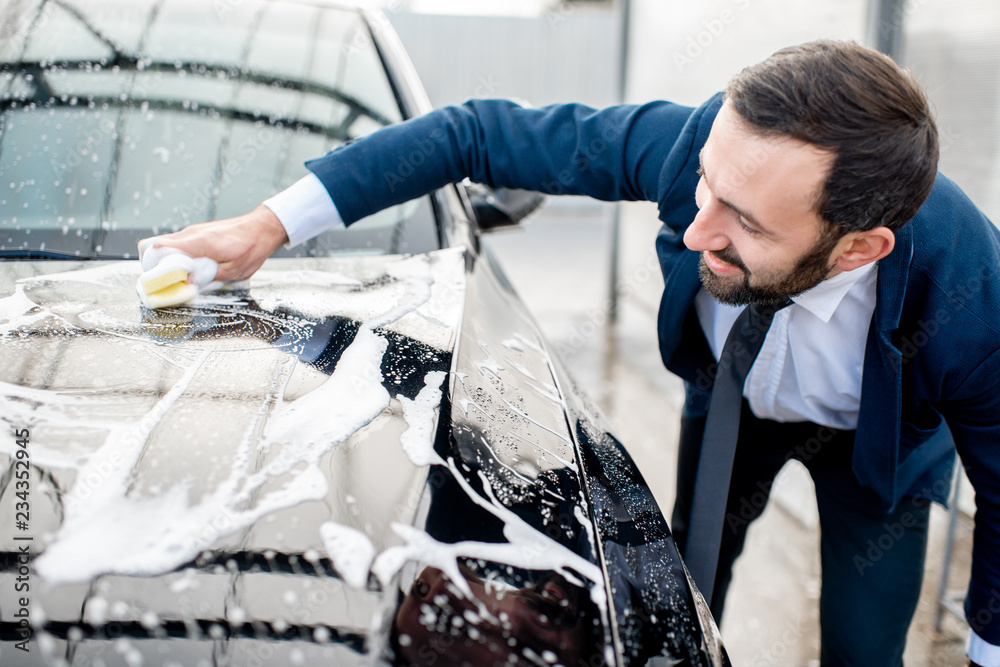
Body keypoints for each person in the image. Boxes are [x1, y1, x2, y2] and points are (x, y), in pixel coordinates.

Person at [141, 40, 1000, 666]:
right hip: (732, 403)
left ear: (860, 249)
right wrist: (267, 225)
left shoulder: (973, 298)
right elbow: (472, 132)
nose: (696, 226)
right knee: (686, 589)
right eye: (706, 183)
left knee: (862, 643)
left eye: (745, 222)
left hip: (877, 452)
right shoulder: (698, 146)